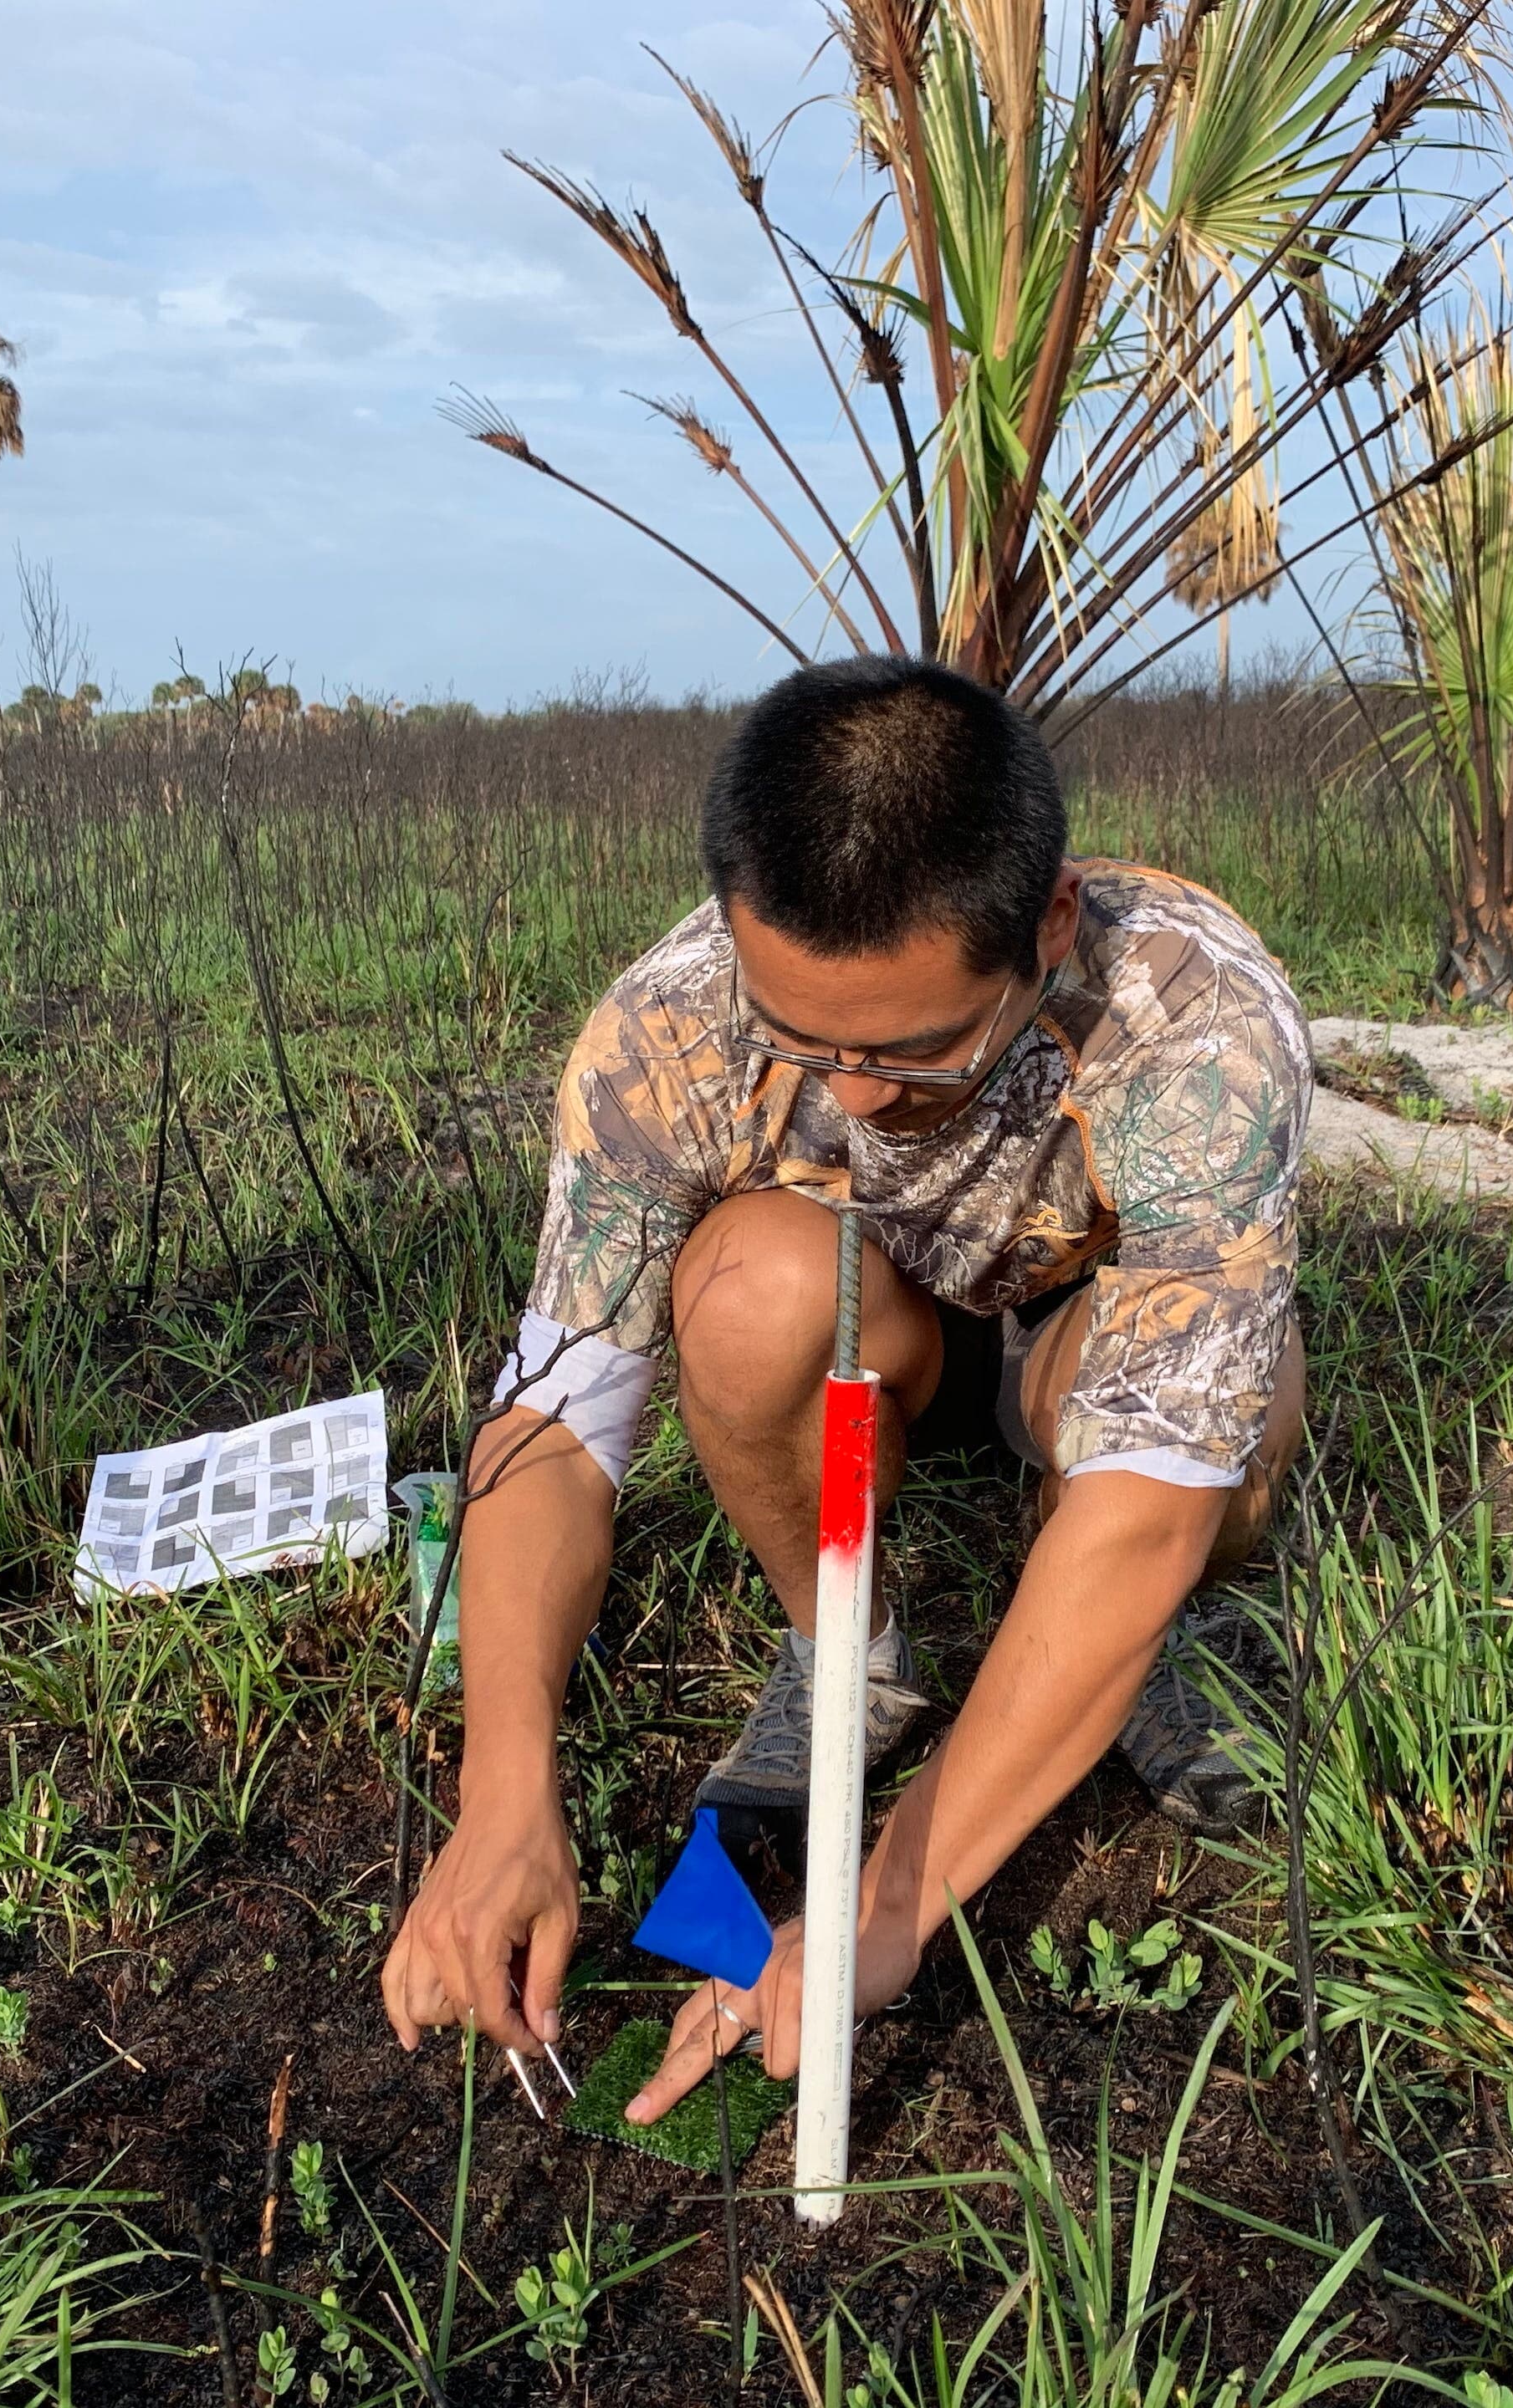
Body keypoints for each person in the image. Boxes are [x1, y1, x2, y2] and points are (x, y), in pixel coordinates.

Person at [378, 656, 1311, 2125]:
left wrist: (884, 1909)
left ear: (1047, 924)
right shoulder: (668, 1029)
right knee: (746, 1291)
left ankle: (1146, 1647)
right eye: (803, 1039)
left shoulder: (1192, 1023)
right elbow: (551, 1424)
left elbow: (1149, 1495)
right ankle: (849, 1657)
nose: (855, 1090)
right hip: (890, 1340)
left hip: (1093, 1333)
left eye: (916, 1046)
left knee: (1237, 1437)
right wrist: (504, 1789)